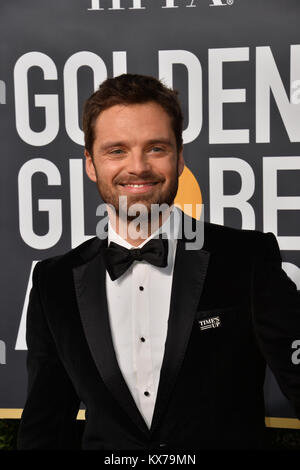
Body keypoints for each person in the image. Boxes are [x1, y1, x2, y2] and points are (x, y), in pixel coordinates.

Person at [17, 74, 300, 450]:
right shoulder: (54, 281)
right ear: (90, 163)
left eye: (156, 148)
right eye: (116, 150)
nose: (138, 167)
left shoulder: (247, 259)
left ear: (180, 157)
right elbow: (43, 427)